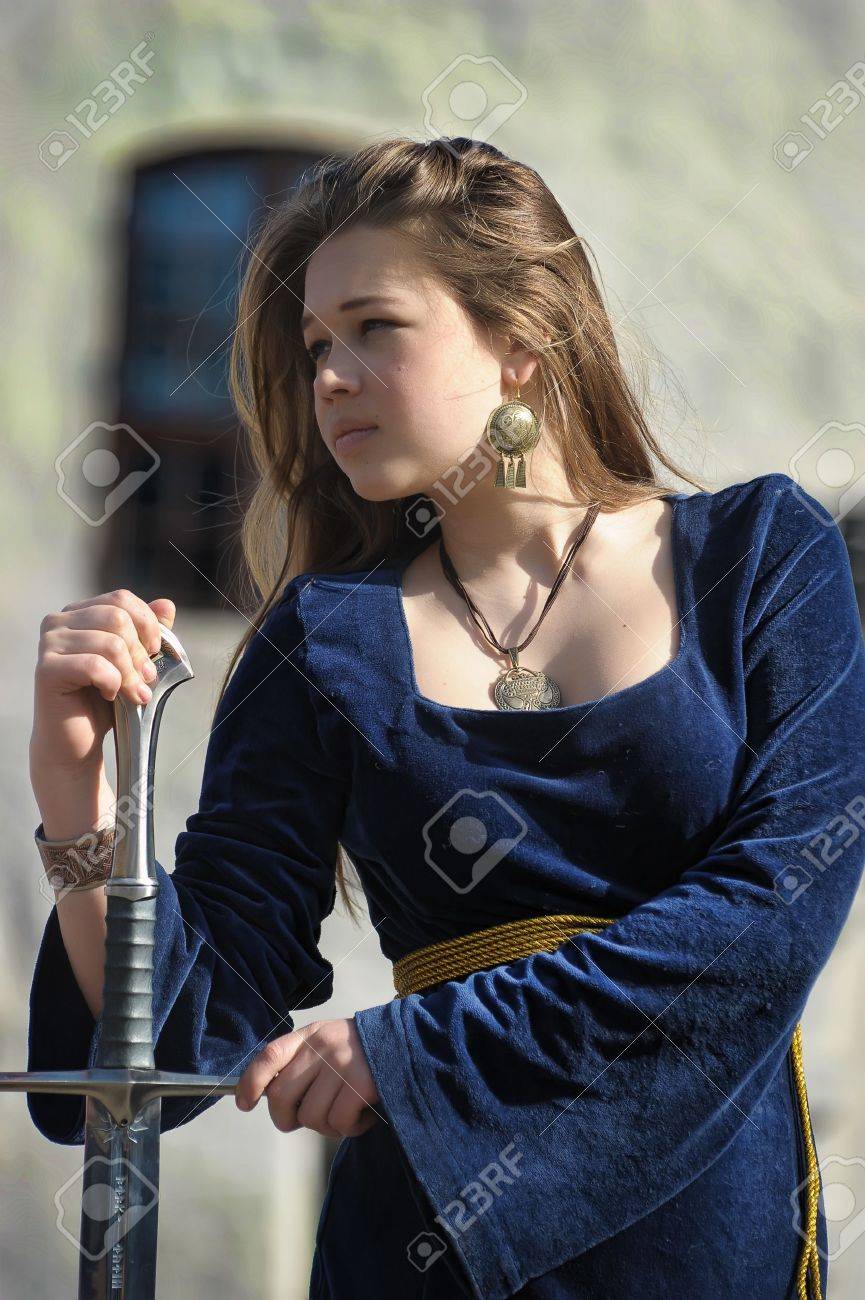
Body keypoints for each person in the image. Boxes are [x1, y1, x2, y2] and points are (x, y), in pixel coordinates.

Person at [26, 136, 865, 1299]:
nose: (328, 376)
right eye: (315, 346)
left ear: (520, 338)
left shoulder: (762, 556)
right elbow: (186, 1024)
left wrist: (411, 1053)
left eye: (374, 327)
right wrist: (83, 803)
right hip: (416, 1253)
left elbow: (771, 915)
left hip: (705, 1240)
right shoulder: (323, 636)